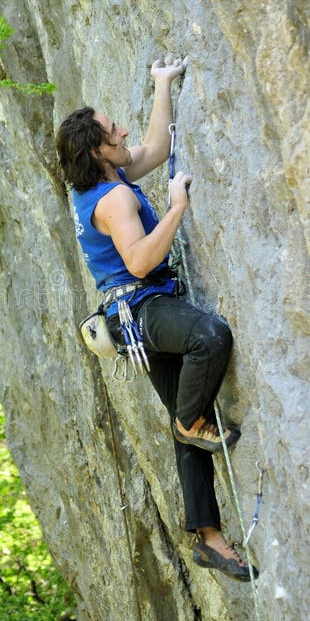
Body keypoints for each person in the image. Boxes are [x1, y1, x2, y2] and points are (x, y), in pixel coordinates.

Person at [55, 54, 258, 582]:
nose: (121, 130)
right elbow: (141, 260)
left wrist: (161, 83)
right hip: (143, 310)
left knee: (185, 424)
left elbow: (157, 146)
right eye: (111, 130)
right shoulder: (115, 197)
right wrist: (175, 208)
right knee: (210, 339)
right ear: (97, 150)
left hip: (133, 319)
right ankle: (191, 421)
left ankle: (210, 538)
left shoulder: (103, 183)